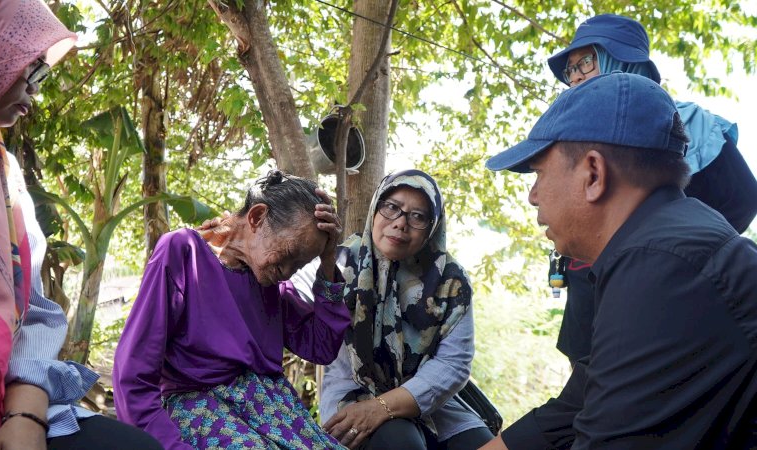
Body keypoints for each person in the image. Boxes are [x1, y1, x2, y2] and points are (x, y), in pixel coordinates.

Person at [482, 72, 757, 449]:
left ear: (593, 173)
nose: (532, 196)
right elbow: (574, 407)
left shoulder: (661, 267)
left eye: (539, 173)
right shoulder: (663, 241)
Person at [0, 0, 162, 449]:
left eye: (41, 74)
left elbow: (30, 306)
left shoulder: (2, 173)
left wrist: (27, 410)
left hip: (0, 395)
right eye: (27, 70)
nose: (34, 92)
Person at [546, 13, 757, 365]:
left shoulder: (686, 124)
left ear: (623, 59)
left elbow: (741, 198)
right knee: (585, 387)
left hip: (659, 304)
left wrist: (673, 260)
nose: (576, 74)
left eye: (586, 60)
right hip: (589, 294)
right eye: (570, 70)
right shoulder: (572, 135)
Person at [112, 170, 351, 450]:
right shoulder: (184, 252)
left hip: (276, 412)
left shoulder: (266, 279)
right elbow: (133, 374)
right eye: (286, 256)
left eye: (298, 266)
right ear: (257, 217)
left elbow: (320, 346)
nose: (286, 273)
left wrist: (328, 258)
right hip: (202, 409)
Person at [317, 170, 494, 450]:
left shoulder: (450, 280)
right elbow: (312, 322)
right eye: (392, 208)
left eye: (418, 216)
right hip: (355, 391)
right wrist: (323, 262)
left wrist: (383, 406)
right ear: (376, 209)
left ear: (432, 227)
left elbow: (454, 363)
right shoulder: (340, 261)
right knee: (402, 444)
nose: (401, 223)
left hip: (426, 395)